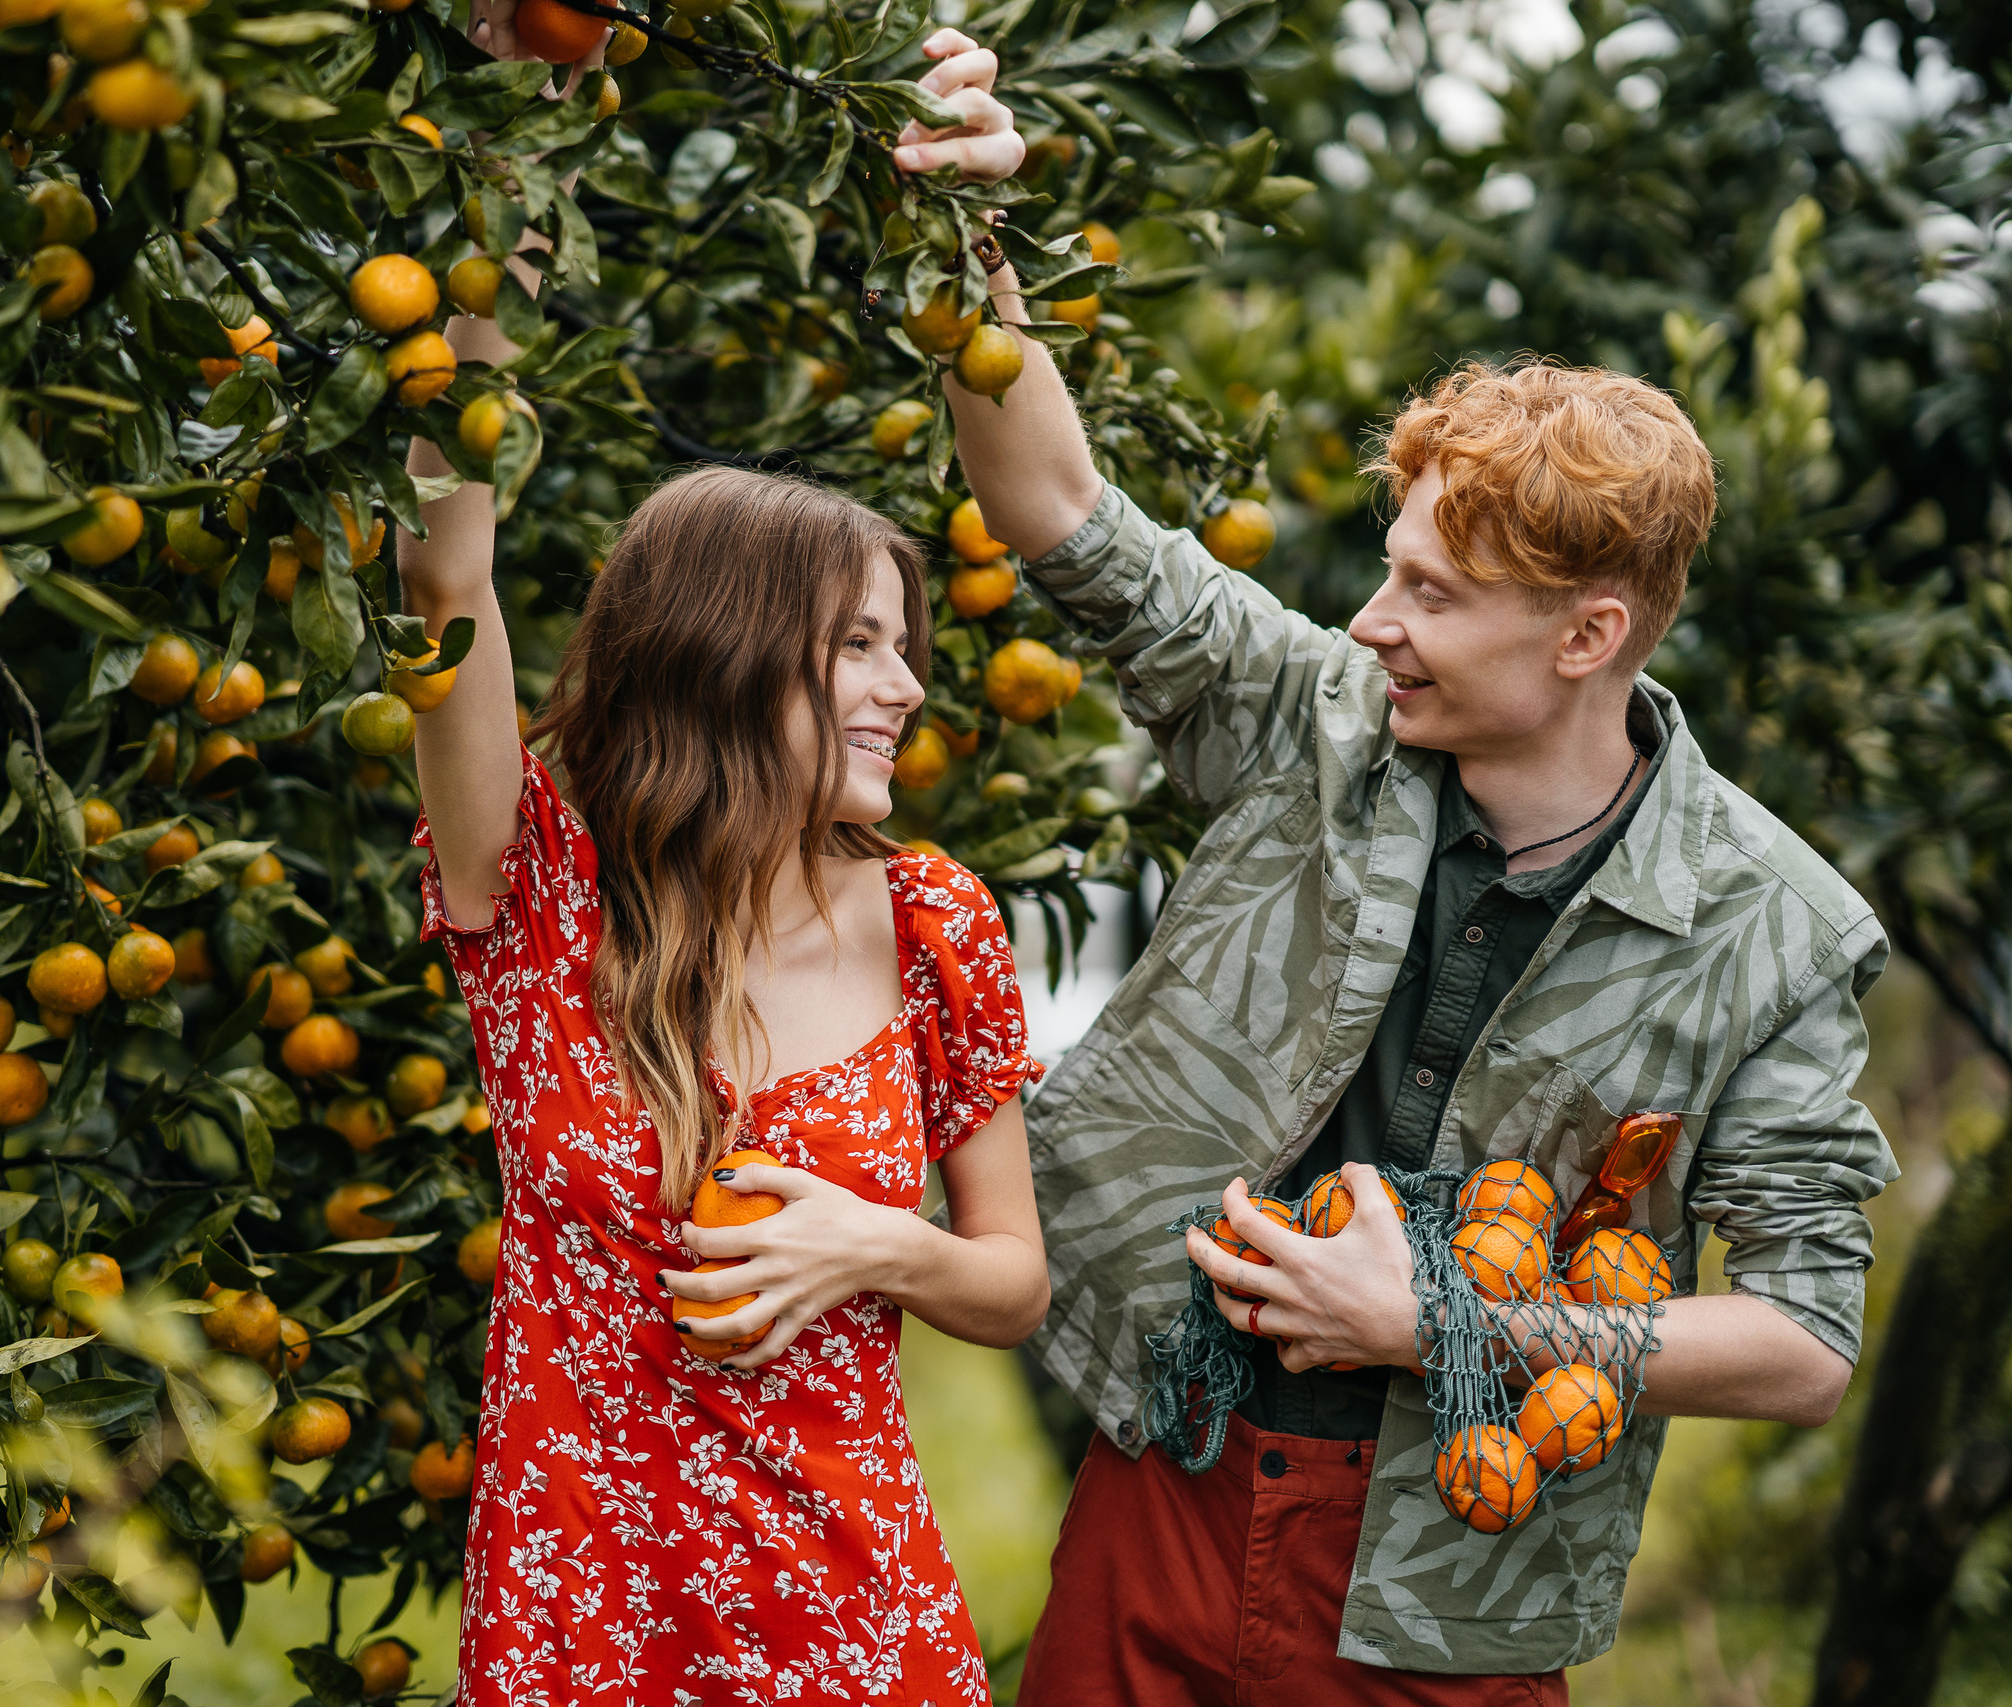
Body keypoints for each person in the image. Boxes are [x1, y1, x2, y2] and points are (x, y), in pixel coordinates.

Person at [897, 32, 1899, 1703]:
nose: (1375, 622)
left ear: (1587, 635)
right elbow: (1062, 507)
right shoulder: (1323, 720)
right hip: (1171, 1474)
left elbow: (1804, 1345)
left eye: (1433, 594)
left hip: (1454, 1582)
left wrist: (1445, 1325)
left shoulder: (1774, 932)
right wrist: (963, 226)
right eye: (1389, 570)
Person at [401, 198, 1048, 1707]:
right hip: (586, 1640)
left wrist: (878, 1248)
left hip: (855, 1626)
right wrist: (524, 186)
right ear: (727, 653)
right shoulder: (542, 896)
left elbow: (1015, 1284)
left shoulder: (935, 922)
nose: (907, 688)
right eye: (859, 647)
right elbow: (443, 576)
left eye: (906, 648)